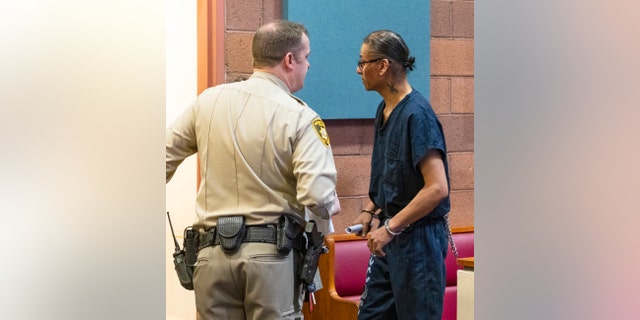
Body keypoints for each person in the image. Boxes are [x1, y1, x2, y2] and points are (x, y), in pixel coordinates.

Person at [166, 20, 341, 320]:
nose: (308, 65)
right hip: (271, 259)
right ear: (289, 60)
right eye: (306, 56)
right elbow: (318, 196)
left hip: (210, 257)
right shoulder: (300, 117)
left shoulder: (207, 102)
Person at [350, 30, 451, 320]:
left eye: (363, 61)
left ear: (382, 66)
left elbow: (437, 188)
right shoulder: (385, 108)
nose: (358, 69)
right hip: (390, 238)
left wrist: (391, 228)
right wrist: (370, 210)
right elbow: (392, 173)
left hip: (417, 241)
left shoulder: (417, 115)